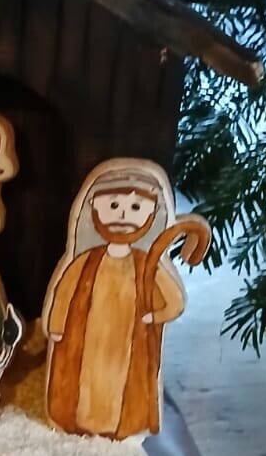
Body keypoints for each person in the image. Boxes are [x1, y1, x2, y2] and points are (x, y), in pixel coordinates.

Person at [43, 161, 187, 439]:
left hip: (128, 347)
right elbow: (64, 292)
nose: (122, 214)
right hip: (86, 345)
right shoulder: (85, 262)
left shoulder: (149, 266)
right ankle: (78, 421)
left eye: (135, 207)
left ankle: (121, 425)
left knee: (120, 388)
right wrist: (57, 326)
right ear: (95, 210)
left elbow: (175, 302)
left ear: (151, 214)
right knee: (85, 384)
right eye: (112, 205)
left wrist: (154, 316)